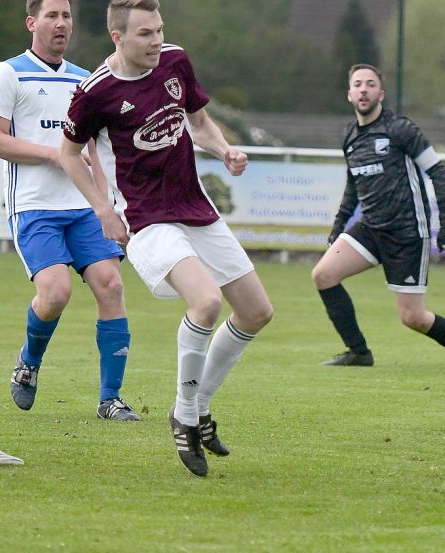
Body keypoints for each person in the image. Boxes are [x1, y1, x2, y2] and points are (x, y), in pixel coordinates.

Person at [60, 0, 273, 478]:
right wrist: (102, 212)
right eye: (144, 34)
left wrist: (225, 150)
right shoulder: (96, 92)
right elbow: (69, 155)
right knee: (205, 303)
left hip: (194, 207)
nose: (156, 41)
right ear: (118, 37)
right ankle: (185, 415)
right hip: (145, 218)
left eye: (158, 30)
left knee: (257, 311)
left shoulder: (175, 60)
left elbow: (198, 123)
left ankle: (197, 409)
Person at [0, 0, 139, 421]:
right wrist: (54, 155)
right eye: (52, 16)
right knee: (56, 293)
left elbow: (93, 153)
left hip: (82, 208)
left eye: (67, 16)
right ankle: (29, 362)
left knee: (110, 285)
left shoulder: (84, 80)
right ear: (32, 22)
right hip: (34, 207)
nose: (61, 24)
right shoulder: (8, 73)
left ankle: (110, 399)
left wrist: (107, 208)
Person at [311, 63, 445, 369]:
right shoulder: (350, 136)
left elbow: (437, 171)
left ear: (380, 93)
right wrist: (338, 227)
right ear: (349, 94)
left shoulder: (400, 129)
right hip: (370, 228)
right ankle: (358, 352)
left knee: (413, 317)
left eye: (370, 84)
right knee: (323, 275)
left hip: (407, 231)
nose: (364, 89)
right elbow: (353, 185)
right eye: (358, 84)